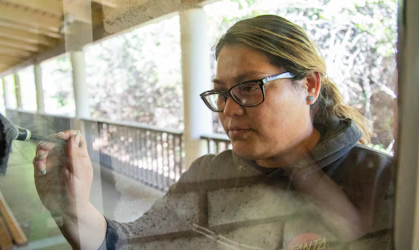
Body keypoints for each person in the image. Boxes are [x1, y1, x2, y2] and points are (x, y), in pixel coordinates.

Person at [33, 15, 393, 250]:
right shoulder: (208, 176)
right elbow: (132, 244)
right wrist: (72, 206)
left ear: (310, 86)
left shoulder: (385, 184)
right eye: (221, 92)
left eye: (250, 86)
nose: (229, 109)